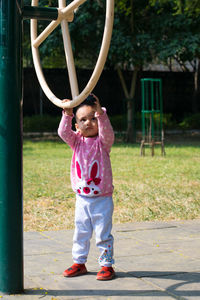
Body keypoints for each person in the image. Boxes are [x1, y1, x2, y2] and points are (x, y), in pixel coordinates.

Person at [58, 94, 115, 281]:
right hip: (82, 199)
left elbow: (107, 131)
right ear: (77, 127)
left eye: (92, 119)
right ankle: (79, 262)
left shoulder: (103, 142)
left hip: (102, 198)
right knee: (80, 232)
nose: (88, 122)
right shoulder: (76, 142)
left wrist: (101, 113)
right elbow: (62, 133)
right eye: (83, 120)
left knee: (102, 233)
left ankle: (106, 265)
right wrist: (67, 114)